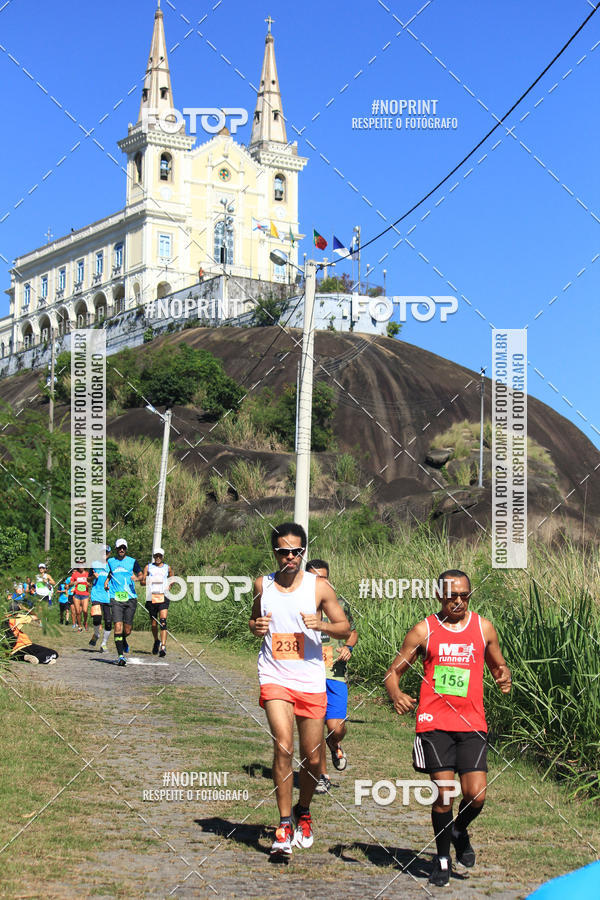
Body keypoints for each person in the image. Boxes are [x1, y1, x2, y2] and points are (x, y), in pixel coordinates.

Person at [384, 569, 512, 887]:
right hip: (435, 723)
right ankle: (442, 859)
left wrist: (503, 676)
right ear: (439, 595)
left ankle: (458, 830)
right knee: (445, 793)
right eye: (452, 595)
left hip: (472, 724)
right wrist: (396, 693)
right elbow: (392, 673)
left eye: (464, 595)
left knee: (476, 795)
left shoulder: (483, 628)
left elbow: (498, 663)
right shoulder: (424, 631)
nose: (458, 600)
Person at [249, 522, 351, 859]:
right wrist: (256, 626)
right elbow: (253, 621)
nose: (289, 557)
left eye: (296, 551)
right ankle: (282, 825)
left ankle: (302, 810)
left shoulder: (318, 587)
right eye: (283, 551)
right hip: (275, 674)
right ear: (274, 552)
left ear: (303, 552)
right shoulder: (262, 584)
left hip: (309, 679)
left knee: (312, 756)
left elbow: (344, 627)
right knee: (282, 745)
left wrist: (320, 625)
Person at [306, 559, 358, 794]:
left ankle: (334, 743)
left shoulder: (340, 604)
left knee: (335, 728)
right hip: (308, 675)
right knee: (315, 727)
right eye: (315, 577)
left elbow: (352, 632)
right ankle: (322, 776)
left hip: (335, 674)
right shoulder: (297, 603)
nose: (320, 581)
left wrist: (349, 647)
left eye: (324, 577)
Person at [104, 538, 142, 667]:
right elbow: (111, 573)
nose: (121, 550)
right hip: (116, 598)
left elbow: (141, 575)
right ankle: (121, 656)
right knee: (118, 627)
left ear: (126, 549)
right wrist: (106, 582)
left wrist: (137, 578)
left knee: (127, 630)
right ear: (116, 549)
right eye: (119, 548)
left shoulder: (132, 562)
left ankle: (124, 639)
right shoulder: (111, 562)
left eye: (123, 548)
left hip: (130, 598)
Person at [142, 548, 173, 658]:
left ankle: (163, 647)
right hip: (152, 597)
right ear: (154, 556)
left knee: (163, 621)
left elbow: (172, 577)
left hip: (163, 597)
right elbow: (142, 581)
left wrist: (169, 585)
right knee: (154, 623)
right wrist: (146, 580)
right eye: (156, 556)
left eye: (160, 556)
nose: (158, 558)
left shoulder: (167, 567)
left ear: (163, 556)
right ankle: (156, 640)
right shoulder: (148, 567)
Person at [88, 546, 112, 652]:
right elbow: (88, 579)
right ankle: (96, 634)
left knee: (108, 621)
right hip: (96, 594)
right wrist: (93, 577)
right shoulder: (94, 564)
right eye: (102, 552)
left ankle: (104, 643)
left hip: (108, 595)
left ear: (109, 553)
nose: (104, 554)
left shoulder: (112, 565)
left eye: (106, 552)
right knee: (97, 617)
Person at [69, 567, 90, 631]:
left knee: (85, 611)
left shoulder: (87, 574)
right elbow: (70, 584)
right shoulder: (75, 574)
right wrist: (73, 583)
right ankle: (80, 626)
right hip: (77, 595)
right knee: (78, 612)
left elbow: (91, 583)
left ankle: (85, 622)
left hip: (85, 595)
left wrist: (88, 584)